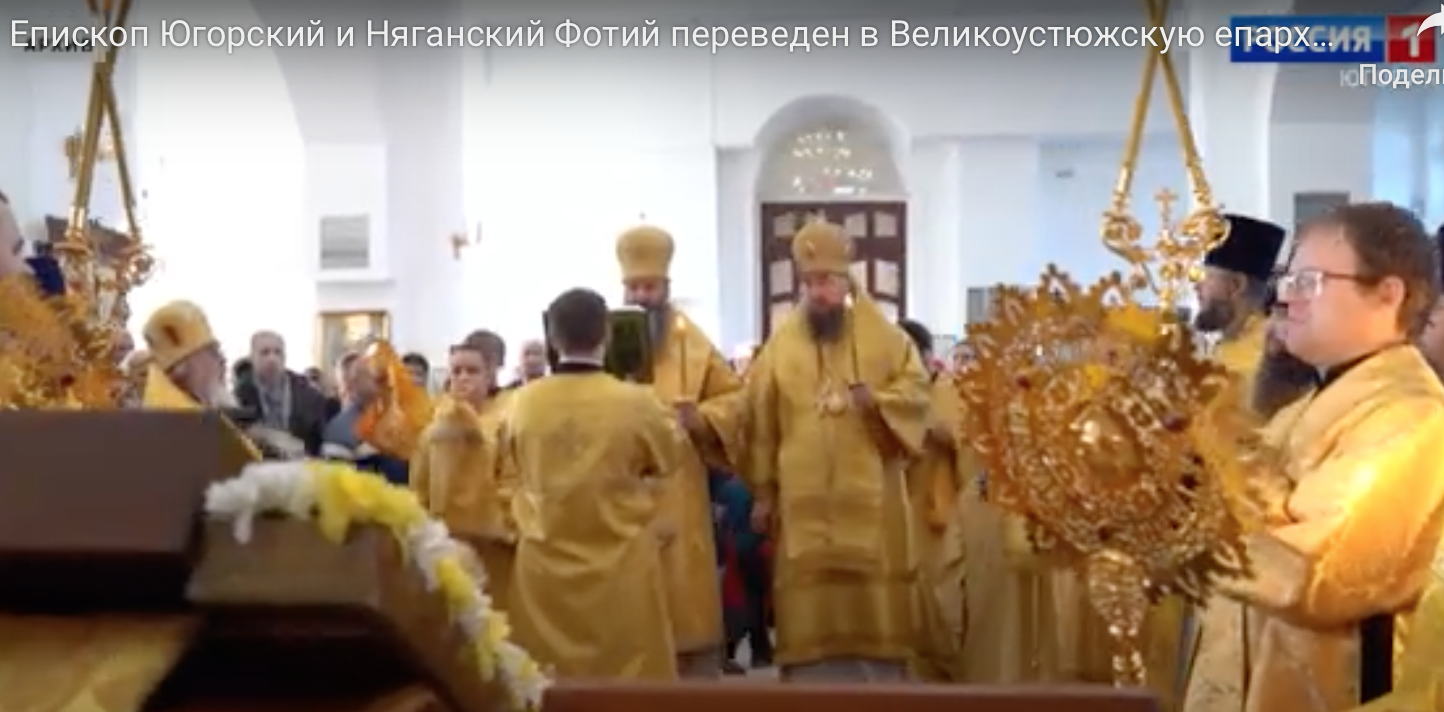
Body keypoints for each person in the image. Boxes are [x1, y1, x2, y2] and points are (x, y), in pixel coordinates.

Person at [1185, 202, 1444, 712]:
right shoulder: (1305, 406)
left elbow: (1312, 574)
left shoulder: (1414, 420)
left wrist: (1212, 477)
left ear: (1388, 293)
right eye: (1287, 280)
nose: (1284, 298)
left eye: (1308, 281)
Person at [739, 219, 931, 682]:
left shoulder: (889, 341)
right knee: (811, 630)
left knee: (873, 621)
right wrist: (762, 493)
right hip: (802, 506)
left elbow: (918, 396)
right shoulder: (780, 348)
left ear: (847, 281)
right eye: (807, 282)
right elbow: (760, 421)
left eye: (825, 281)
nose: (816, 293)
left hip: (873, 504)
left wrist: (878, 403)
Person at [505, 287, 681, 679]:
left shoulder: (522, 402)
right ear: (607, 333)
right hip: (620, 564)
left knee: (546, 684)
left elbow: (507, 464)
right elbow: (669, 458)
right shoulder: (636, 401)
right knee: (628, 686)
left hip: (544, 565)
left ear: (553, 338)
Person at [615, 223, 744, 677]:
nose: (640, 297)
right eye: (633, 287)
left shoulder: (694, 342)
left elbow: (736, 399)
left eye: (649, 287)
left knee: (681, 592)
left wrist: (702, 418)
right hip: (620, 485)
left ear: (666, 288)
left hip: (678, 487)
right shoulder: (607, 341)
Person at [411, 341, 517, 609]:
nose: (463, 378)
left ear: (489, 376)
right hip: (443, 544)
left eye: (472, 371)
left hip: (492, 548)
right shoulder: (432, 427)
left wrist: (499, 523)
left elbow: (512, 483)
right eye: (456, 371)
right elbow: (418, 488)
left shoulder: (506, 423)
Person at [896, 318, 968, 681]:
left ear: (926, 356)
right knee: (908, 597)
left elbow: (970, 447)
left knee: (945, 598)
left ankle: (948, 678)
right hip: (902, 510)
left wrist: (943, 437)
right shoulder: (896, 397)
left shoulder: (952, 392)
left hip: (944, 510)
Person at [1194, 214, 1287, 393]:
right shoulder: (1233, 342)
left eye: (1205, 277)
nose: (1197, 287)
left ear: (1236, 285)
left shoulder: (1266, 357)